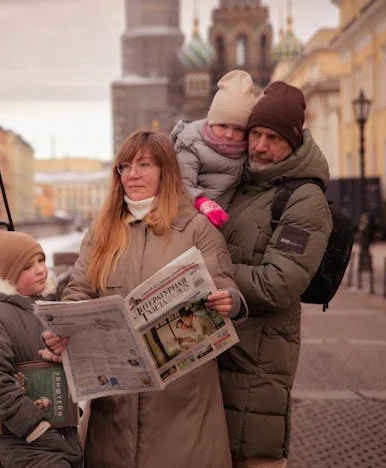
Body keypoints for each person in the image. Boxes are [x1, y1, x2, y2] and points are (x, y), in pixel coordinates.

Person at [43, 130, 245, 468]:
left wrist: (231, 302)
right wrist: (66, 324)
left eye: (144, 164)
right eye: (124, 166)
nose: (132, 174)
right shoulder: (102, 230)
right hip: (115, 413)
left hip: (183, 409)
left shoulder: (197, 228)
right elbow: (79, 289)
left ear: (166, 171)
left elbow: (227, 290)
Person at [218, 81, 334, 468]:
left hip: (258, 363)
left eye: (272, 137)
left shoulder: (305, 199)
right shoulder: (244, 185)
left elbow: (277, 283)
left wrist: (208, 275)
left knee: (254, 455)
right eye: (255, 134)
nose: (259, 147)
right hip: (220, 351)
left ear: (294, 140)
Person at [0, 227, 83, 468]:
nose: (40, 269)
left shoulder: (47, 305)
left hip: (61, 434)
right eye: (27, 266)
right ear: (8, 276)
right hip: (27, 443)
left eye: (41, 259)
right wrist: (36, 429)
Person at [170, 69, 257, 227]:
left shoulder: (247, 152)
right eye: (223, 126)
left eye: (238, 129)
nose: (229, 135)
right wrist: (202, 202)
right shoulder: (191, 143)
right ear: (211, 121)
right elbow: (181, 183)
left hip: (223, 223)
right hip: (188, 219)